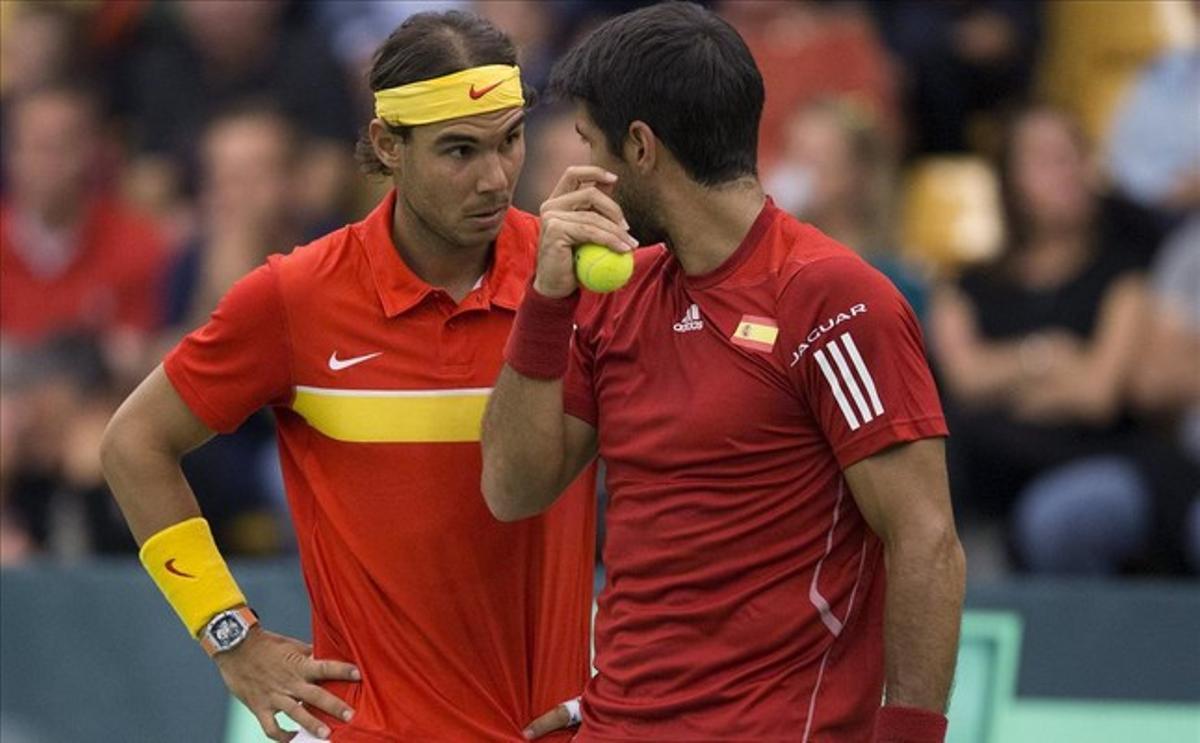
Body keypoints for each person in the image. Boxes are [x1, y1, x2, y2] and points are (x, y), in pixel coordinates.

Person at [101, 11, 594, 742]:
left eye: (510, 140)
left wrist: (635, 670)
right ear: (386, 146)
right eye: (460, 150)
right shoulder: (294, 297)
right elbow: (133, 445)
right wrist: (232, 638)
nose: (495, 178)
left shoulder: (582, 279)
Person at [481, 4, 964, 742]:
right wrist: (546, 302)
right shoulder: (615, 297)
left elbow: (925, 538)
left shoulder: (832, 298)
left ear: (639, 147)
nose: (575, 174)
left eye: (587, 143)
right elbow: (512, 489)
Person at [929, 106, 1163, 574]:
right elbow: (964, 380)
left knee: (1055, 517)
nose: (1068, 172)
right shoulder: (967, 285)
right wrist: (1049, 355)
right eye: (1045, 160)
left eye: (1073, 155)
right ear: (1010, 181)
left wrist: (1004, 380)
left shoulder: (1125, 275)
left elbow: (1098, 394)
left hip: (1090, 458)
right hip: (987, 468)